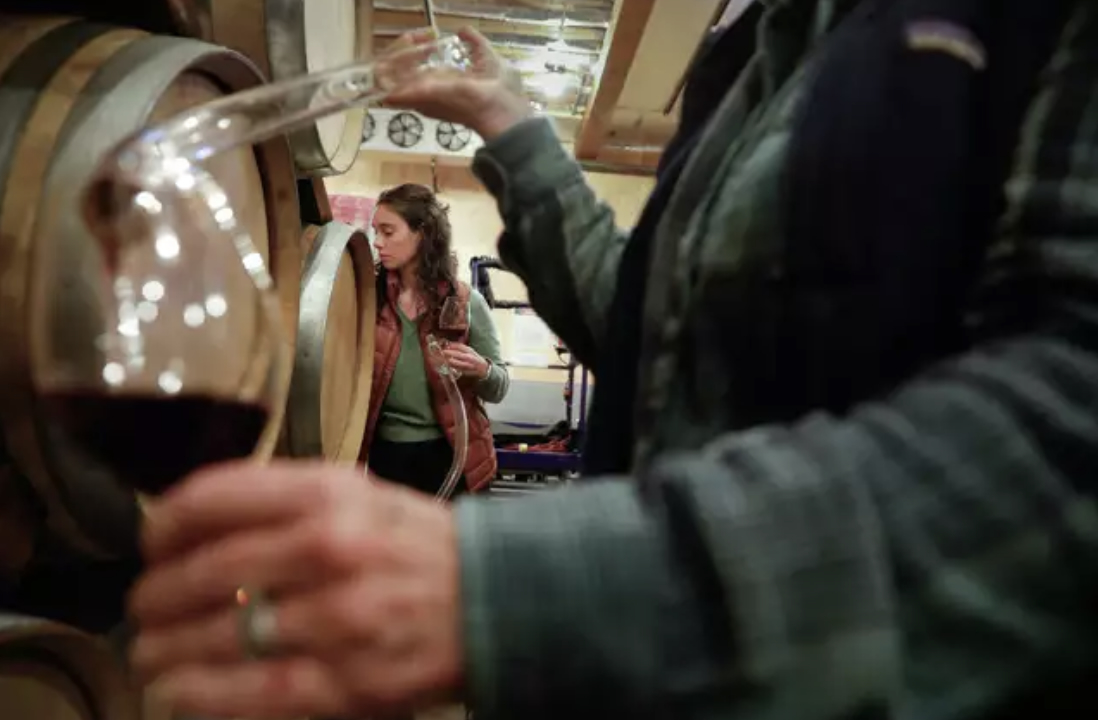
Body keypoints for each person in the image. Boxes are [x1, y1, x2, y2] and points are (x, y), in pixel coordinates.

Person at [126, 4, 1098, 720]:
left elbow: (1071, 436)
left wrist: (518, 595)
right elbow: (649, 341)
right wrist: (510, 125)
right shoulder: (753, 51)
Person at [363, 183, 508, 498]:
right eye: (375, 232)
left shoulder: (466, 302)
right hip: (383, 457)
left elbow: (499, 386)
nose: (377, 243)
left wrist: (481, 368)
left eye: (388, 232)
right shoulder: (367, 300)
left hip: (450, 457)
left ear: (423, 233)